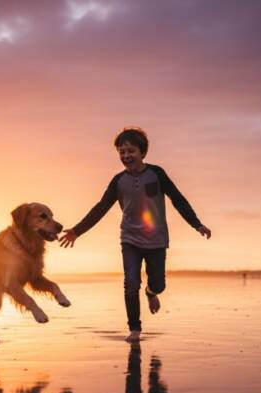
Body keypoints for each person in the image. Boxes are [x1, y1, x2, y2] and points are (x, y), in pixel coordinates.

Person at [59, 127, 211, 342]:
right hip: (130, 239)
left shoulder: (157, 174)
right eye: (121, 152)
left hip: (156, 239)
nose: (126, 156)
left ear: (142, 152)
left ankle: (151, 292)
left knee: (159, 284)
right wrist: (77, 231)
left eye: (130, 151)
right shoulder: (118, 181)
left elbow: (178, 199)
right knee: (130, 283)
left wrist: (197, 224)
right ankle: (135, 329)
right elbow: (101, 207)